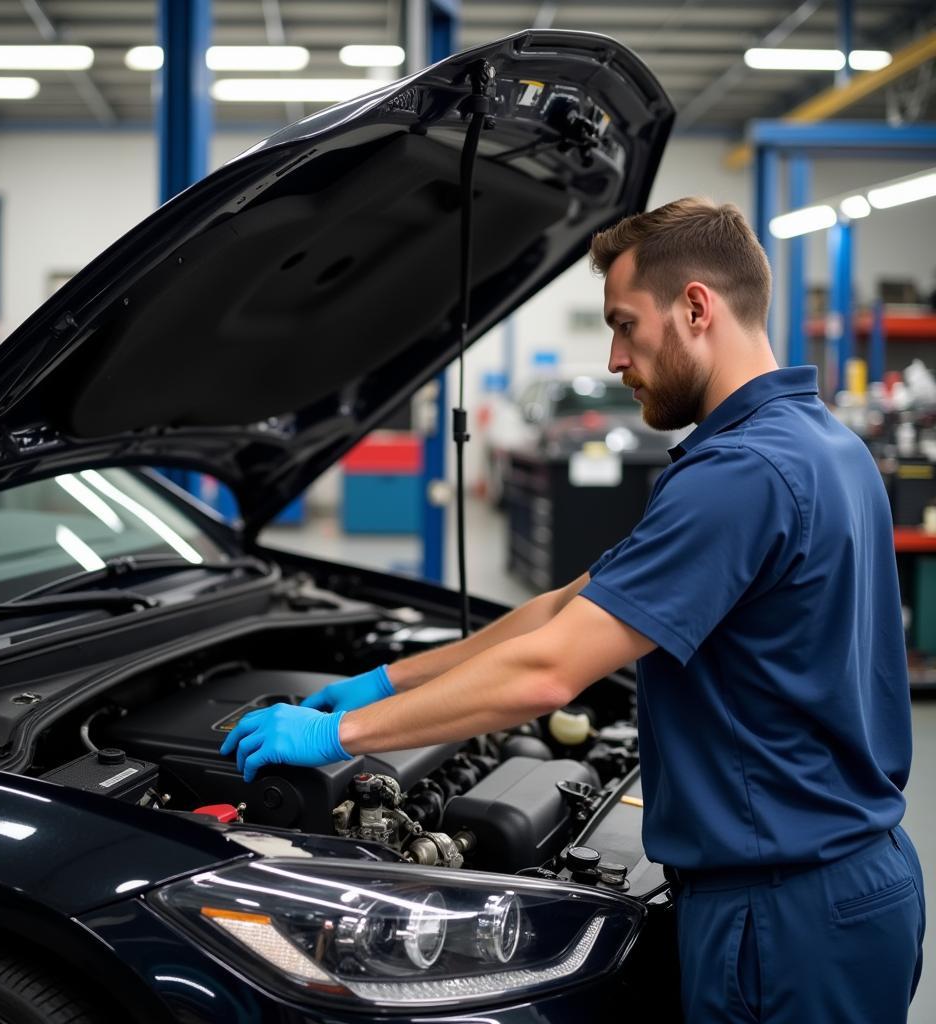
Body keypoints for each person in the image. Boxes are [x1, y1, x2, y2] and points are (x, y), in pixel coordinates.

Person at [221, 197, 925, 1023]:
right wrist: (383, 678)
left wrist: (336, 737)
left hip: (781, 912)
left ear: (696, 306)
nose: (618, 357)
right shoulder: (823, 444)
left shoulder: (742, 474)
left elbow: (551, 670)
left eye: (626, 324)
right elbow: (570, 604)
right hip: (845, 884)